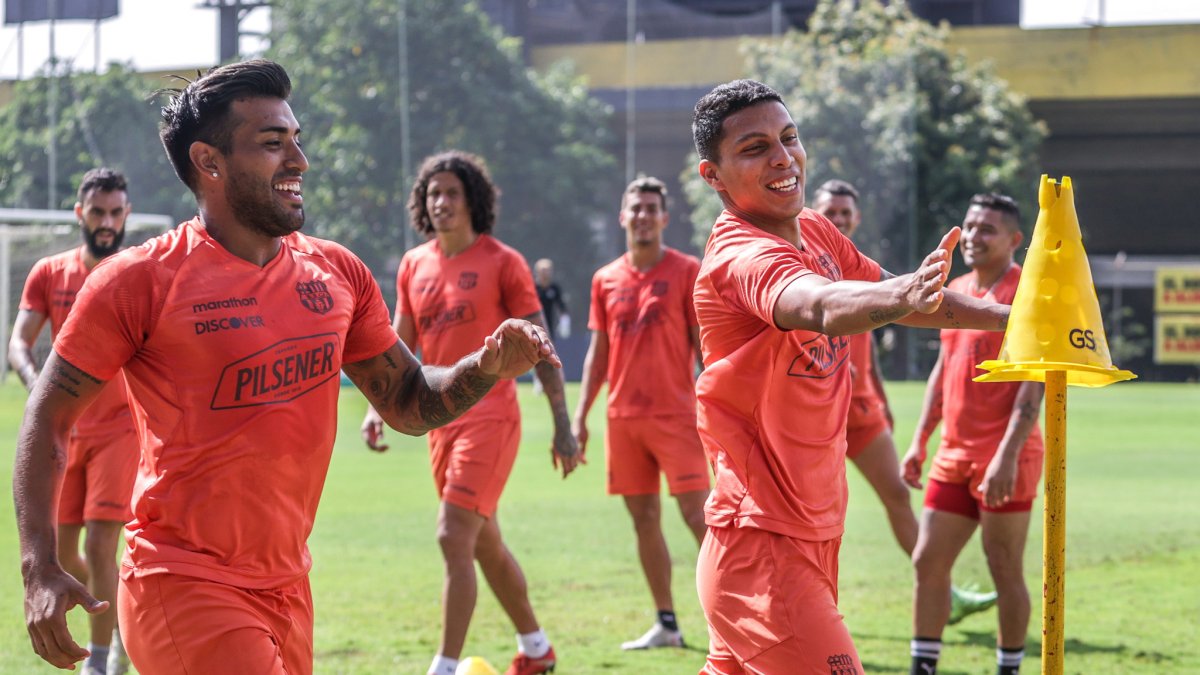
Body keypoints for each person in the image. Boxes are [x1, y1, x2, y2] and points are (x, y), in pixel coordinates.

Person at [14, 59, 561, 675]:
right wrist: (39, 567)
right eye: (273, 144)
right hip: (182, 581)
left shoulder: (338, 273)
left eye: (297, 141)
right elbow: (48, 417)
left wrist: (485, 367)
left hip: (288, 585)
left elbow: (410, 403)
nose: (298, 160)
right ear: (209, 162)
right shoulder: (138, 282)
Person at [688, 79, 1011, 674]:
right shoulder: (741, 256)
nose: (784, 157)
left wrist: (1009, 319)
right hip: (765, 547)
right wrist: (896, 292)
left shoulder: (814, 230)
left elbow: (910, 300)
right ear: (714, 176)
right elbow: (819, 303)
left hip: (805, 537)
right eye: (755, 148)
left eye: (789, 138)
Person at [360, 150, 580, 675]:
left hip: (492, 418)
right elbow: (399, 346)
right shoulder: (414, 264)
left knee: (452, 532)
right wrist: (376, 408)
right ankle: (536, 651)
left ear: (473, 200)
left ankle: (444, 666)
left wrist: (563, 427)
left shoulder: (504, 262)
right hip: (438, 422)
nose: (442, 202)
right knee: (485, 545)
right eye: (433, 193)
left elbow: (540, 346)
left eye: (452, 192)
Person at [811, 179, 997, 625]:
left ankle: (943, 591)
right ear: (814, 213)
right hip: (816, 410)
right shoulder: (803, 263)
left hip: (862, 409)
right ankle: (813, 610)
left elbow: (868, 343)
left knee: (896, 493)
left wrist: (880, 396)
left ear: (854, 219)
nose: (838, 219)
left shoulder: (858, 265)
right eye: (829, 211)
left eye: (844, 213)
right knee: (819, 510)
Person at [901, 193, 1044, 675]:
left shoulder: (1027, 293)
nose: (975, 237)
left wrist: (1008, 454)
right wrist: (921, 438)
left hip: (1007, 455)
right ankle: (923, 667)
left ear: (1014, 240)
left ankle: (1009, 667)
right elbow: (943, 371)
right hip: (953, 453)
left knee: (1003, 566)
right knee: (926, 561)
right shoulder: (956, 287)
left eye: (988, 229)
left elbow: (1033, 381)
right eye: (970, 226)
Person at [572, 176, 709, 651]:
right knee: (644, 519)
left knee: (700, 516)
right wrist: (580, 416)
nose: (644, 215)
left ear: (665, 218)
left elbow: (704, 349)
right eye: (636, 208)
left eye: (653, 208)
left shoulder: (688, 270)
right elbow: (599, 353)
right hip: (623, 419)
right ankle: (667, 624)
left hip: (678, 416)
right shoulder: (605, 279)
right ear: (623, 217)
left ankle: (742, 615)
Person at [9, 167, 137, 675]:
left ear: (127, 215)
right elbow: (19, 341)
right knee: (62, 553)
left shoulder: (134, 271)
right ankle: (124, 618)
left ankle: (101, 661)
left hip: (122, 429)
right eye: (98, 212)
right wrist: (34, 379)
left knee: (101, 541)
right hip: (66, 431)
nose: (107, 222)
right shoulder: (49, 273)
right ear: (80, 214)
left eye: (116, 212)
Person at [534, 258, 570, 343]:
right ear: (538, 272)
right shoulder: (533, 288)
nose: (545, 273)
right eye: (543, 270)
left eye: (548, 270)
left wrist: (565, 323)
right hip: (533, 325)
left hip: (549, 327)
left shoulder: (554, 288)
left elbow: (562, 307)